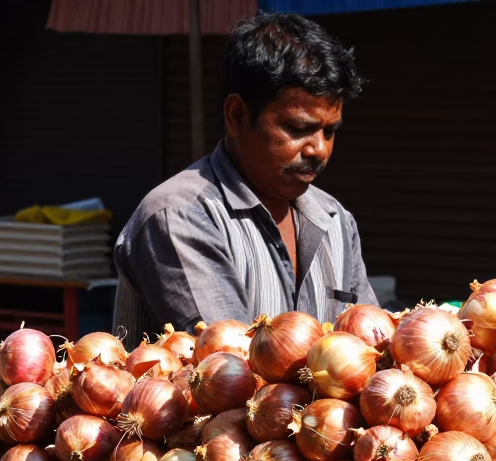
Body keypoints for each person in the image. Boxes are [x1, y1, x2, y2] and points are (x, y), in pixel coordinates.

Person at [113, 13, 377, 339]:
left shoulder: (336, 221)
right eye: (298, 128)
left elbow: (371, 347)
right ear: (237, 115)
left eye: (330, 131)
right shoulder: (179, 216)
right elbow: (228, 365)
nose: (319, 150)